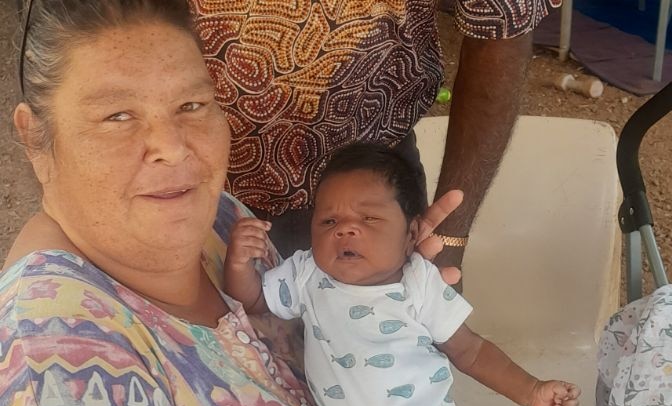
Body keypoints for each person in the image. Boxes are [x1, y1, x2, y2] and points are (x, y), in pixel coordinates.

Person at [1, 1, 466, 406]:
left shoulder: (218, 219)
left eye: (192, 104)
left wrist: (376, 294)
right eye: (118, 115)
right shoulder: (64, 365)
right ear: (35, 136)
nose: (173, 146)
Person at [224, 143, 581, 406]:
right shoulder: (306, 275)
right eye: (328, 222)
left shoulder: (419, 282)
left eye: (369, 218)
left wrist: (531, 390)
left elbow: (471, 351)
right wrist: (239, 264)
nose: (346, 229)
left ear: (411, 234)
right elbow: (254, 301)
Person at [186, 0, 558, 274]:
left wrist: (449, 241)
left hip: (372, 189)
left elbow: (500, 34)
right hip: (183, 181)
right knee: (220, 362)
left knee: (380, 359)